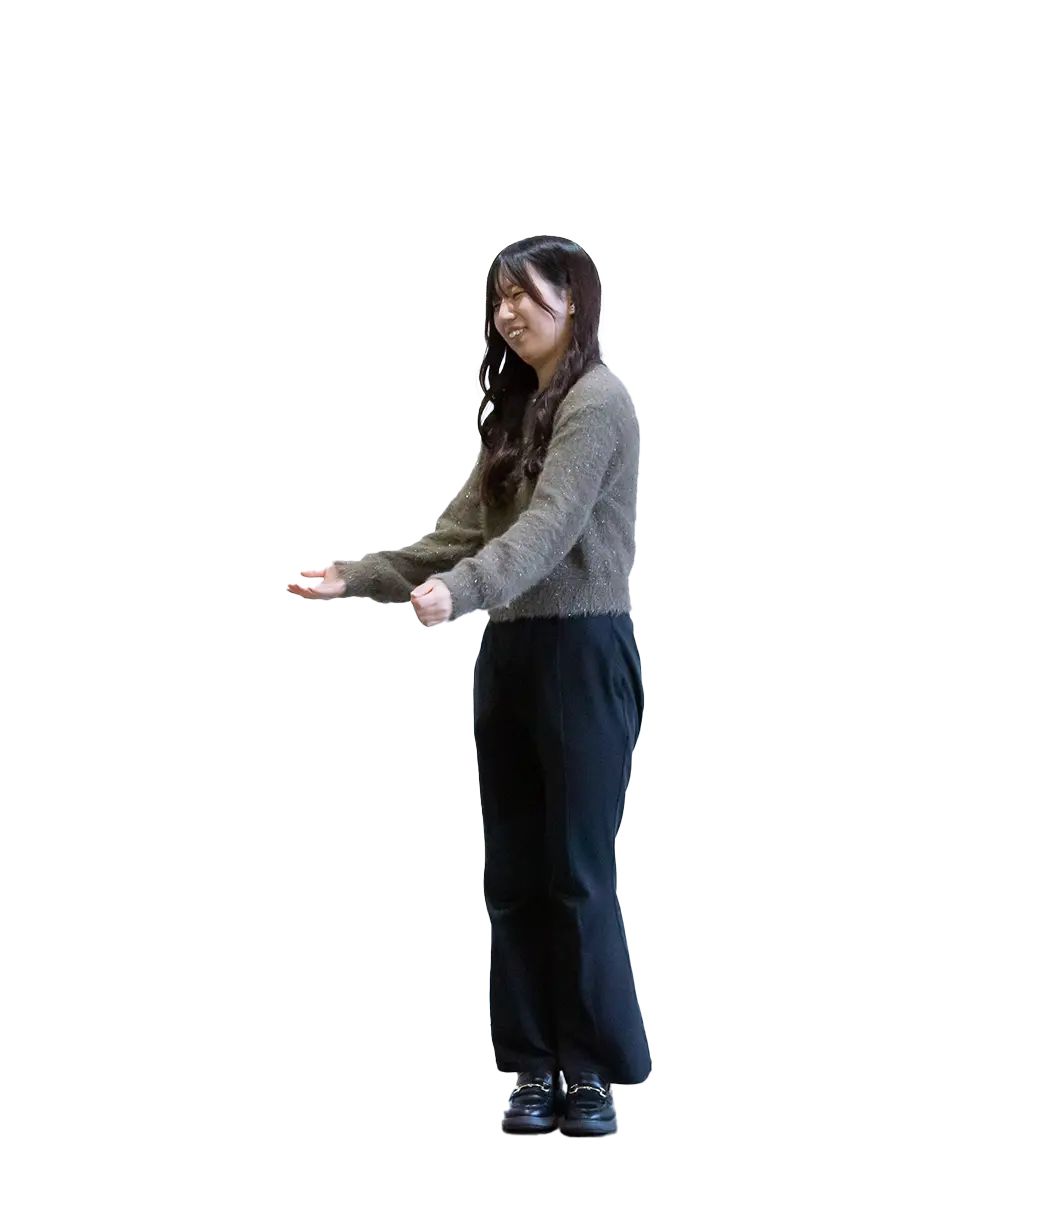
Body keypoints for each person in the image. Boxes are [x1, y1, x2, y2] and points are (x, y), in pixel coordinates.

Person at [287, 235, 649, 1137]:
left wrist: (465, 591)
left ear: (575, 297)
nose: (508, 312)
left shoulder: (599, 401)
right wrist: (360, 576)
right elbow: (458, 534)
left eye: (525, 293)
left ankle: (589, 1071)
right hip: (512, 656)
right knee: (515, 869)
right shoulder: (515, 412)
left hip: (582, 653)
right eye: (498, 298)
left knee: (575, 869)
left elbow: (548, 531)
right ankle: (530, 1067)